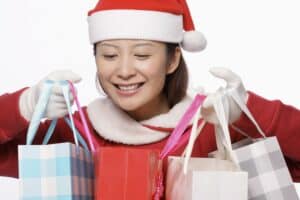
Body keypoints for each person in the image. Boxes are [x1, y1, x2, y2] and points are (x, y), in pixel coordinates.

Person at [1, 0, 300, 187]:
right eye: (109, 55)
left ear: (172, 60)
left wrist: (252, 112)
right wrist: (23, 106)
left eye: (142, 55)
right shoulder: (76, 132)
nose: (124, 70)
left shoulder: (212, 127)